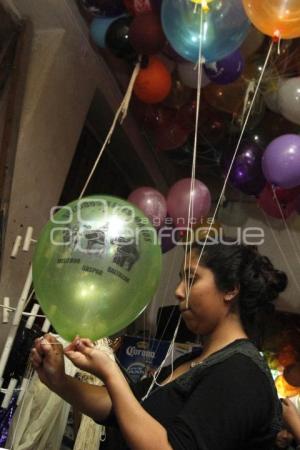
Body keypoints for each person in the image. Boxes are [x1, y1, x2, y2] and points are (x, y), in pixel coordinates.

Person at [31, 241, 287, 450]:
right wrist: (59, 380)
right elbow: (121, 406)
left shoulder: (241, 373)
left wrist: (110, 371)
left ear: (230, 289)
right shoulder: (197, 360)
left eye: (191, 279)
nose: (177, 291)